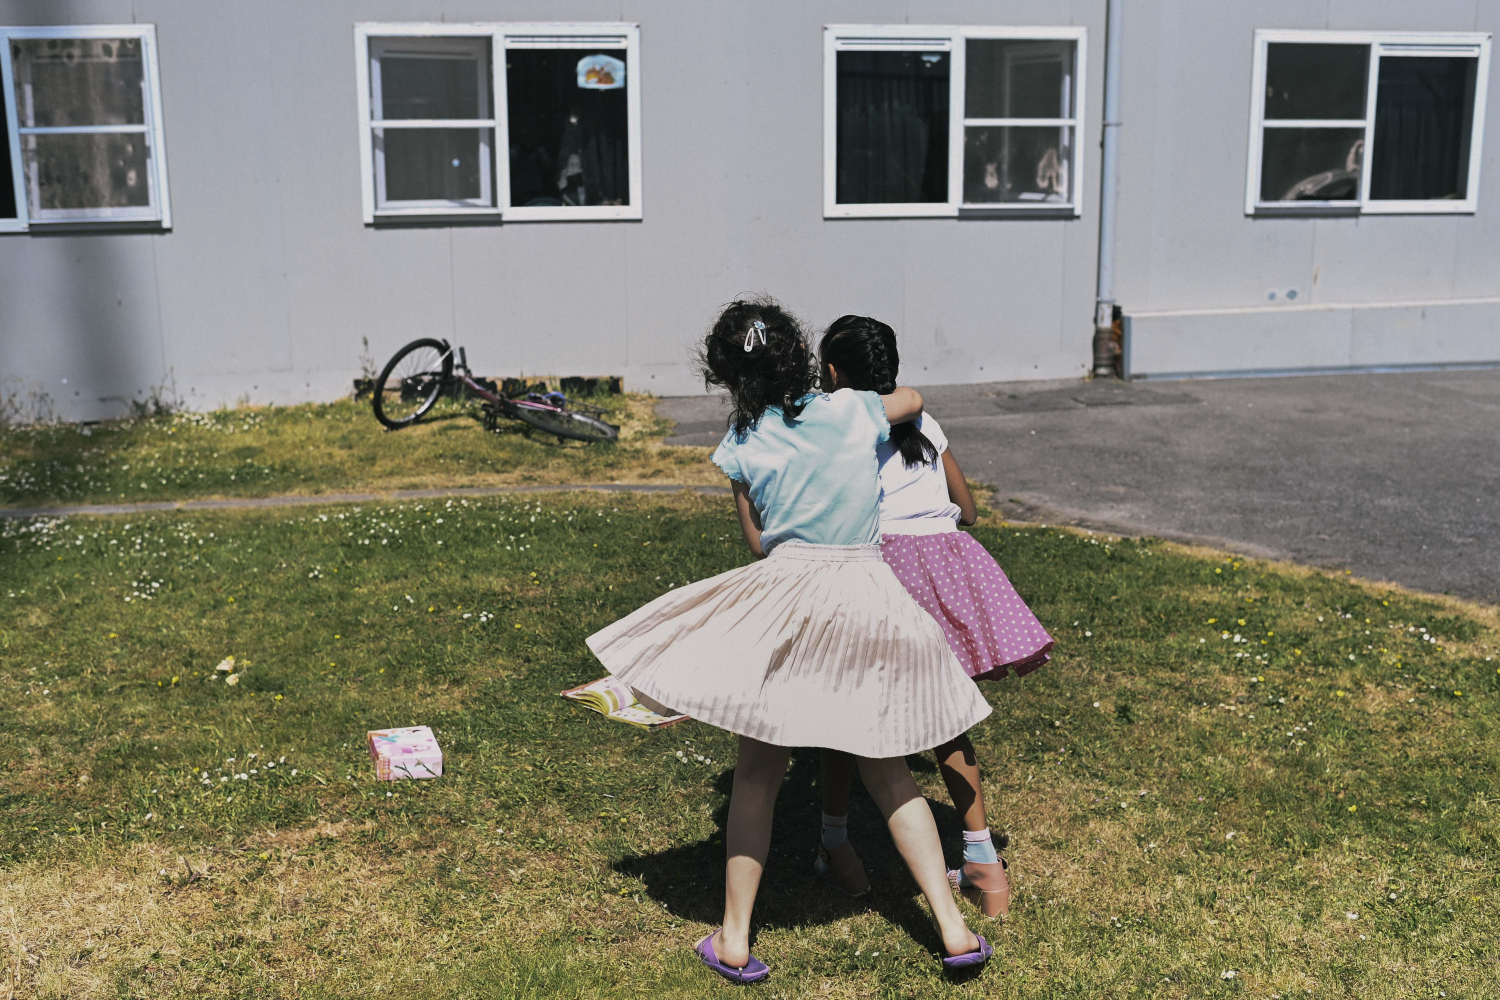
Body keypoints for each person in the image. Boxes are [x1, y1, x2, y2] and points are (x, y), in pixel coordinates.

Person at [587, 298, 994, 983]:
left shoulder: (741, 440)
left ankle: (735, 939)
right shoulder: (855, 410)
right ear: (804, 356)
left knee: (755, 778)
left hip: (788, 597)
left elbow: (758, 543)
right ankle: (953, 931)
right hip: (868, 594)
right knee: (890, 772)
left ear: (728, 377)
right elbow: (914, 399)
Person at [814, 315, 1054, 919]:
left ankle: (838, 848)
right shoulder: (925, 424)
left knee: (841, 721)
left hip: (882, 571)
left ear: (834, 373)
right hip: (948, 569)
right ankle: (983, 861)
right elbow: (966, 510)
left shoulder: (840, 429)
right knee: (946, 717)